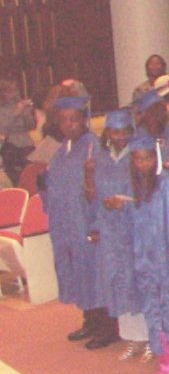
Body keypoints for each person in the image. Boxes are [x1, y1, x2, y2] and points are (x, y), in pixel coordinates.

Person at [45, 96, 107, 346]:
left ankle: (106, 327)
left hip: (87, 221)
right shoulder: (62, 150)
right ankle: (90, 320)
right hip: (67, 223)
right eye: (63, 120)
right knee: (78, 271)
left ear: (84, 120)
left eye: (73, 119)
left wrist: (97, 224)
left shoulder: (92, 146)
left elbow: (101, 189)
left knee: (94, 273)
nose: (68, 124)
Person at [128, 132, 169, 374]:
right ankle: (165, 358)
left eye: (147, 158)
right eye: (137, 159)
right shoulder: (139, 186)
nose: (143, 164)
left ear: (157, 157)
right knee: (154, 307)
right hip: (148, 259)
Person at [89, 109, 143, 359]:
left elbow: (148, 193)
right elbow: (94, 195)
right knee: (118, 282)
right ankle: (131, 338)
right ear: (107, 133)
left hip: (133, 228)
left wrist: (126, 203)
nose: (120, 137)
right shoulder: (101, 158)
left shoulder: (139, 156)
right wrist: (95, 224)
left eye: (124, 132)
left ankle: (147, 338)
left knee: (137, 282)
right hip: (110, 229)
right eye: (114, 132)